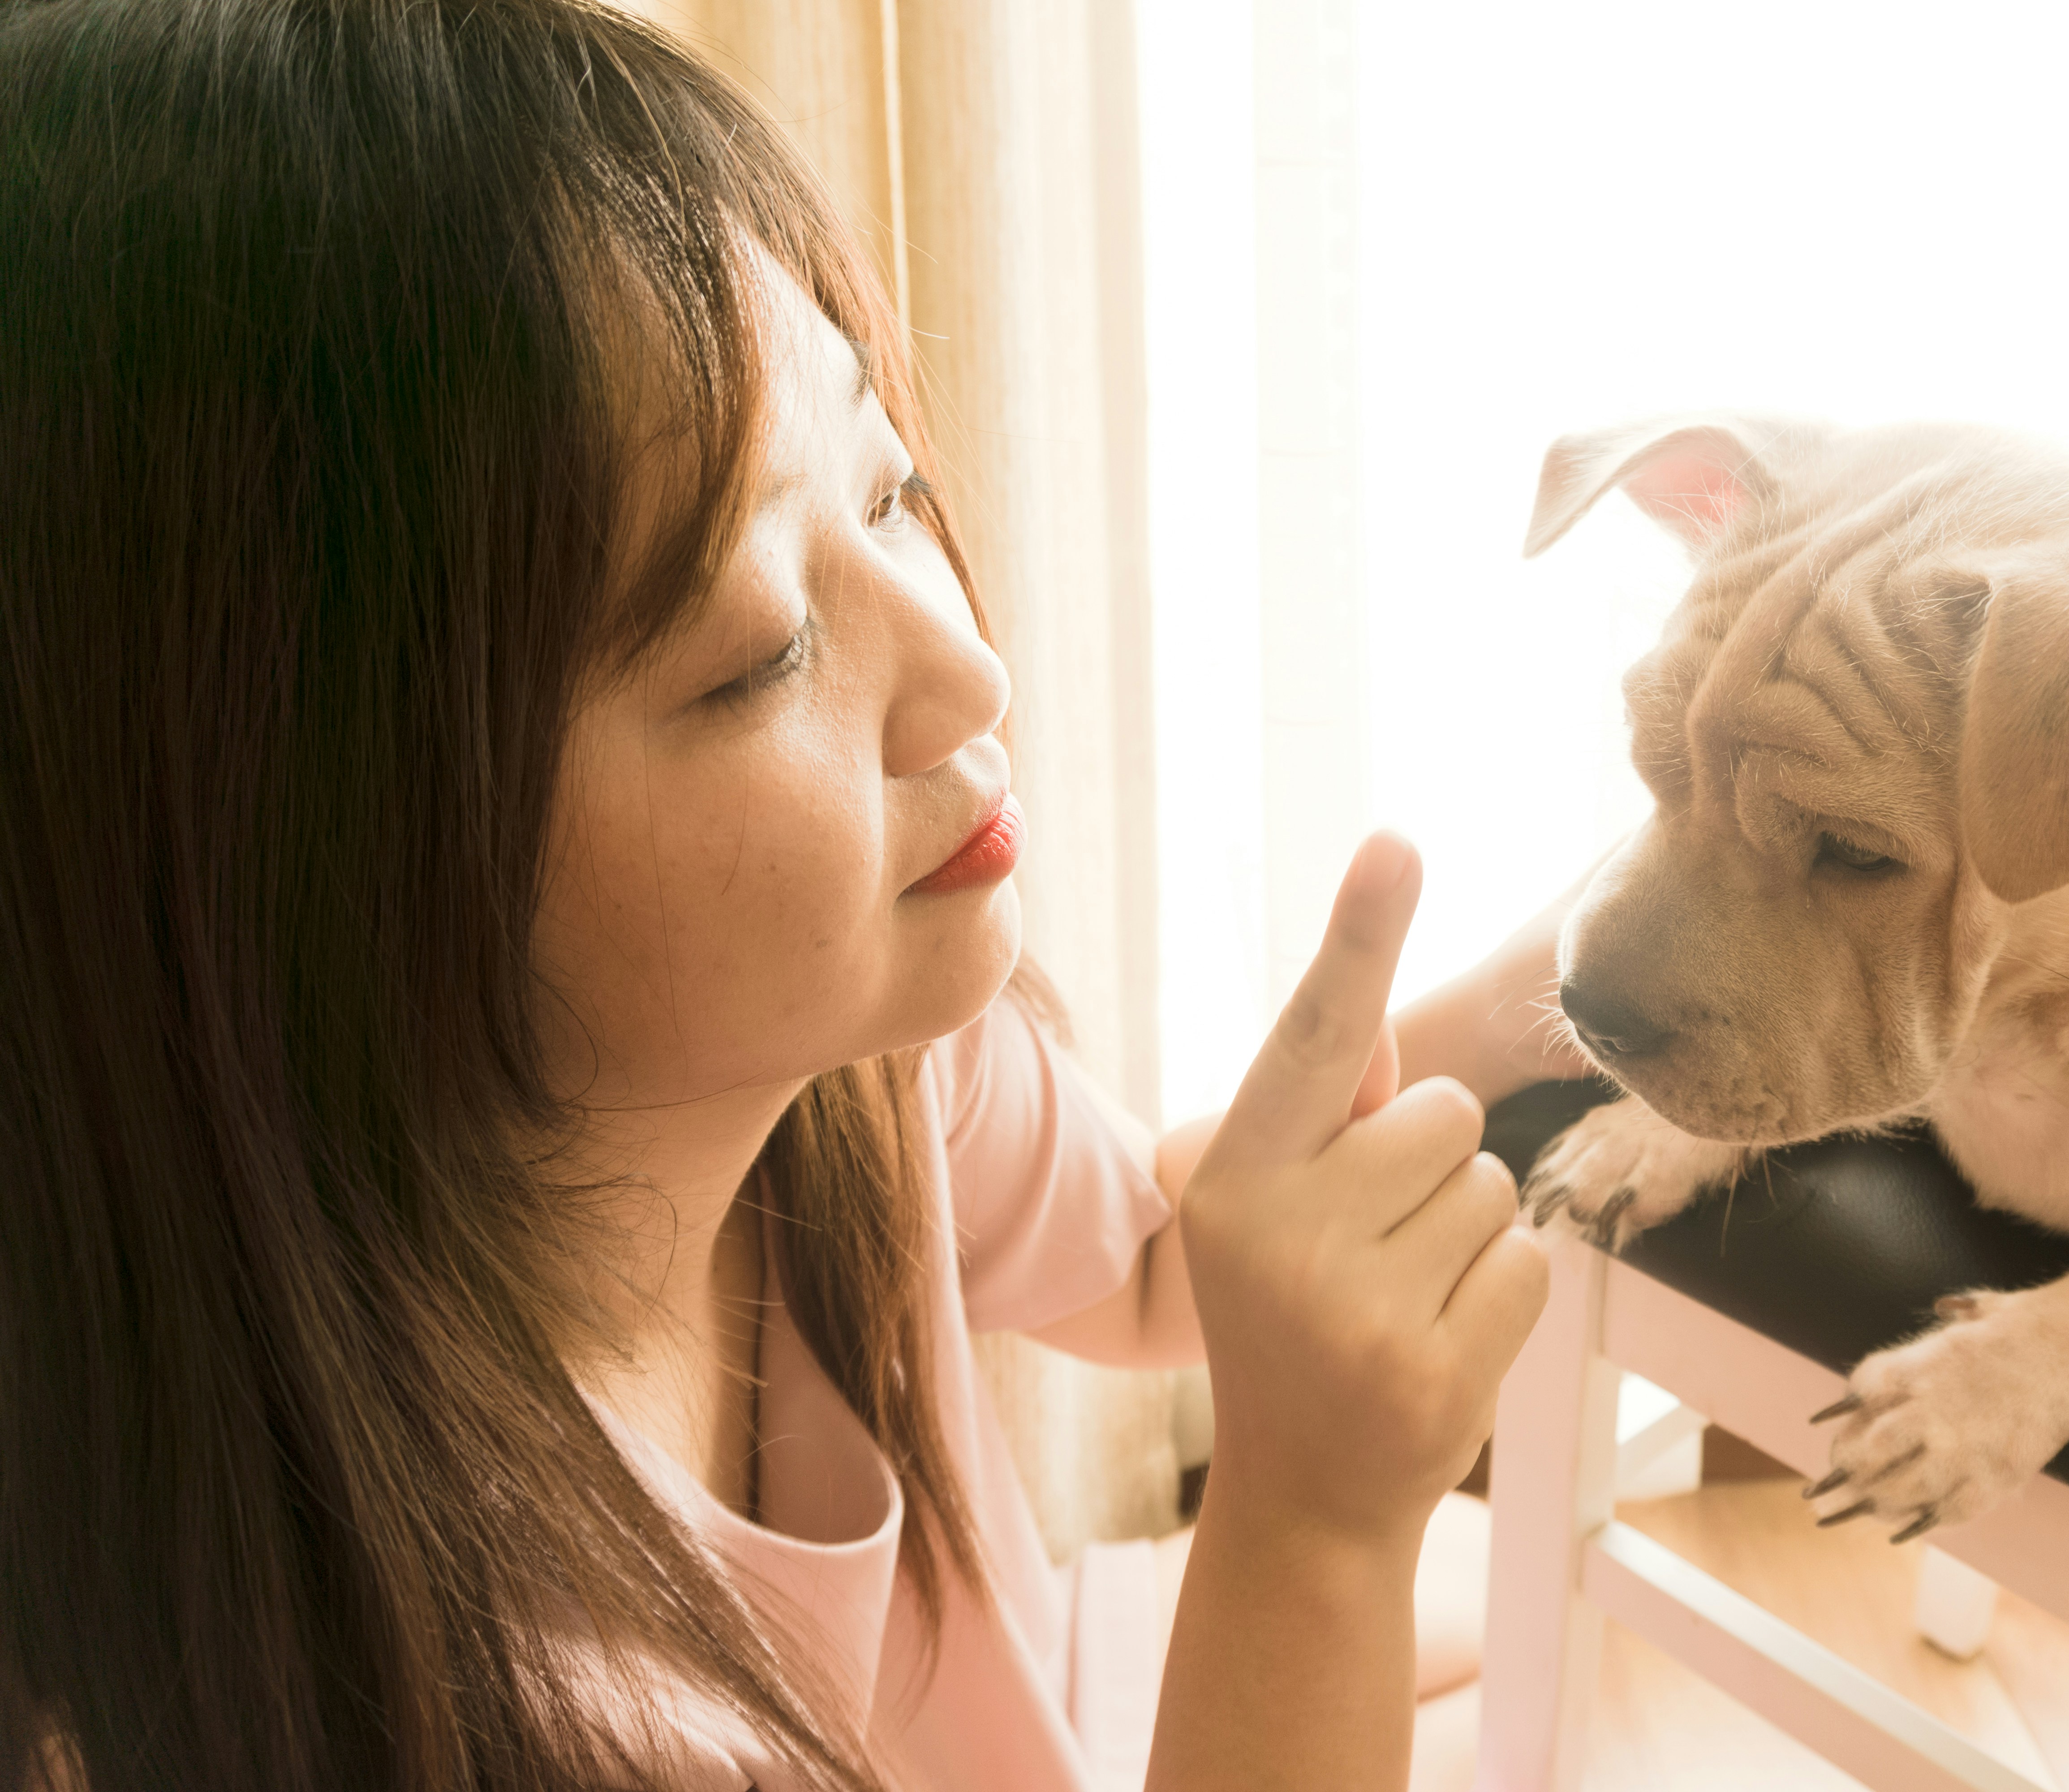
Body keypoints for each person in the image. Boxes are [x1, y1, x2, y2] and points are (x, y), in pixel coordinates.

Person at [0, 2, 1592, 1788]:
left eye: (892, 486)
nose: (971, 674)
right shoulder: (448, 1707)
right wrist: (1310, 1534)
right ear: (338, 881)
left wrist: (1577, 977)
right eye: (762, 649)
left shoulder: (868, 1075)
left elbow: (1158, 1262)